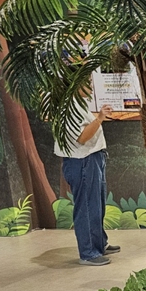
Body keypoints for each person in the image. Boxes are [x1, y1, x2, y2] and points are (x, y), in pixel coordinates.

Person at [55, 102, 120, 266]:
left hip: (93, 158)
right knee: (87, 206)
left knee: (97, 205)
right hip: (82, 160)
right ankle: (89, 252)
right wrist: (99, 118)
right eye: (88, 86)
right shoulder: (68, 107)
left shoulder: (78, 103)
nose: (91, 88)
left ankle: (99, 244)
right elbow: (82, 137)